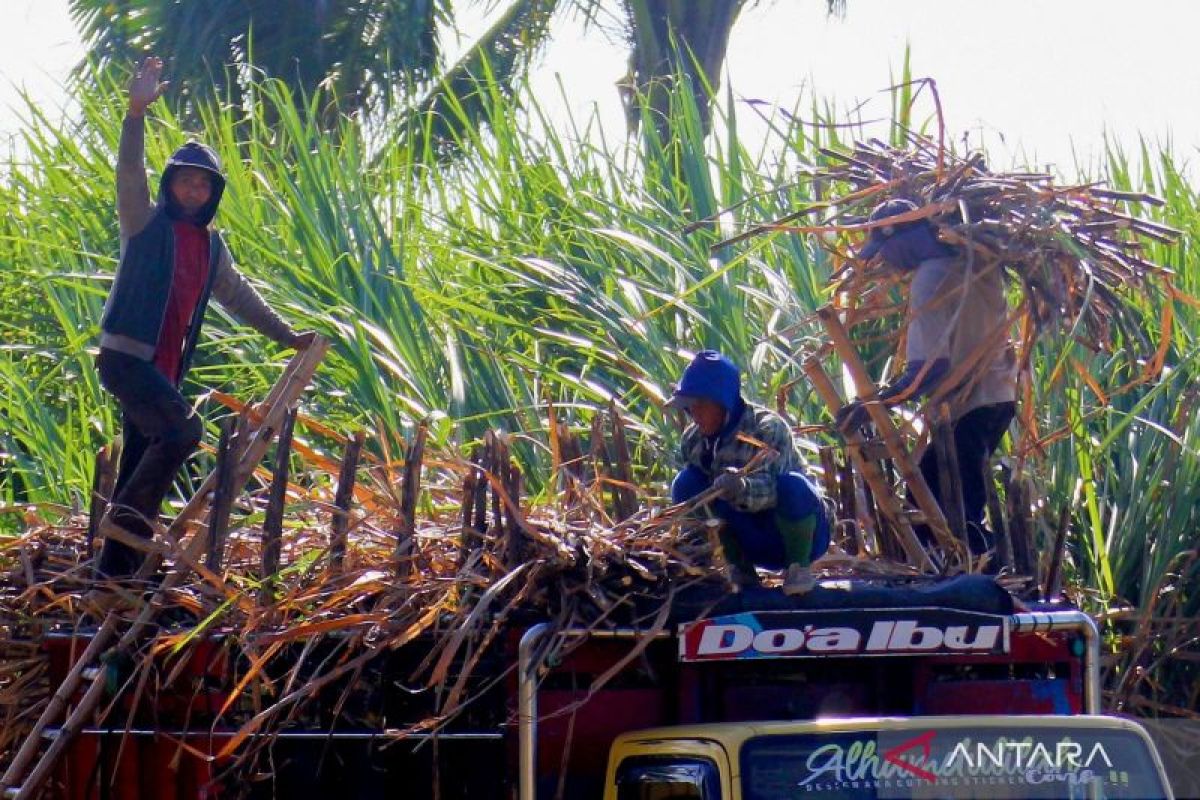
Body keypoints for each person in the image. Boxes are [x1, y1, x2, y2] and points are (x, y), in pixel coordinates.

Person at [92, 57, 313, 593]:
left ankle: (114, 577)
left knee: (142, 459)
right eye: (184, 183)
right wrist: (135, 114)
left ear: (211, 195)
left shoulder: (212, 248)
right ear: (171, 187)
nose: (192, 192)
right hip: (126, 358)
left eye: (201, 186)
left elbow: (242, 298)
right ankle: (123, 526)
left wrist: (288, 337)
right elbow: (128, 175)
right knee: (184, 430)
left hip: (162, 373)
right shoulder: (144, 223)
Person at [835, 199, 1017, 555]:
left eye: (886, 250)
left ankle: (974, 579)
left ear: (904, 238)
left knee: (945, 507)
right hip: (1002, 396)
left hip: (968, 405)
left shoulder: (931, 279)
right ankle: (976, 568)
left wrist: (875, 404)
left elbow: (930, 371)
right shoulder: (979, 259)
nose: (886, 260)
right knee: (952, 493)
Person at [668, 350, 830, 595]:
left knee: (793, 486)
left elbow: (770, 490)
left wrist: (740, 488)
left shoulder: (767, 428)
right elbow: (696, 503)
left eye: (701, 405)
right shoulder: (693, 440)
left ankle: (798, 569)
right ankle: (737, 567)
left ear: (723, 402)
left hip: (793, 533)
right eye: (690, 407)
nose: (695, 414)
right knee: (687, 483)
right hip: (748, 537)